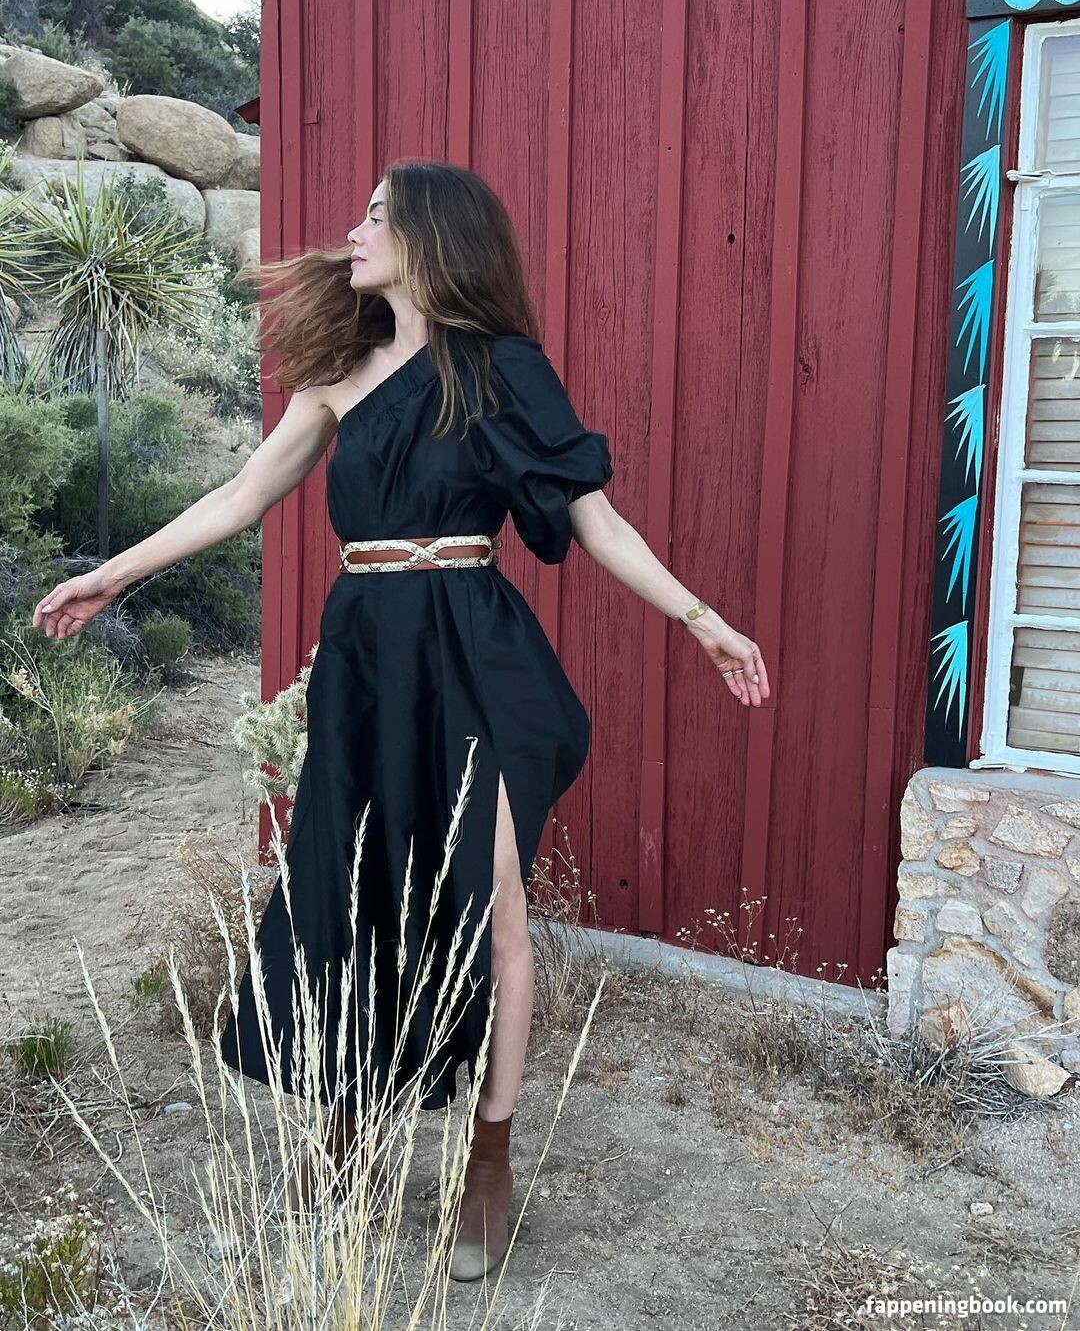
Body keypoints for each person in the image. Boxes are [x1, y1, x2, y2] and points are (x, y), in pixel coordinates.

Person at [32, 158, 770, 1280]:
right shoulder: (339, 372)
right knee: (352, 890)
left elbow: (597, 523)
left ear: (433, 235)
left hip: (475, 656)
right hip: (369, 663)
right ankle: (347, 1137)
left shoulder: (502, 369)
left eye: (378, 215)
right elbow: (241, 495)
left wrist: (702, 620)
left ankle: (488, 1160)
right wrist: (112, 575)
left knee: (493, 914)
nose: (356, 230)